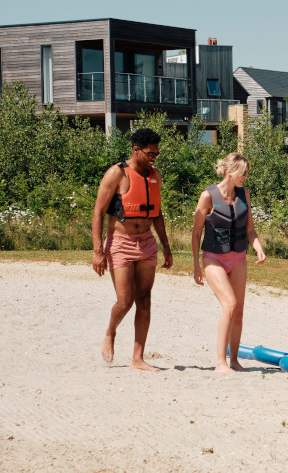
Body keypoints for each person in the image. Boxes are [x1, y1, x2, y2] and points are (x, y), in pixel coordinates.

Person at [91, 128, 173, 371]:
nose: (154, 158)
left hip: (147, 242)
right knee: (125, 301)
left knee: (145, 300)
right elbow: (97, 212)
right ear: (136, 149)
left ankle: (138, 359)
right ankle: (111, 332)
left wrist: (166, 247)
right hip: (120, 243)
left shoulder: (155, 175)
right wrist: (98, 251)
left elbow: (156, 213)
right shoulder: (116, 173)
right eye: (150, 153)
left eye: (157, 154)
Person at [191, 153, 267, 373]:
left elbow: (250, 229)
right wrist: (196, 265)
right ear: (229, 171)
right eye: (242, 173)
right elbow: (196, 233)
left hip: (238, 257)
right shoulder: (208, 196)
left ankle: (234, 360)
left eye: (246, 173)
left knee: (239, 311)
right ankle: (220, 363)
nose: (245, 177)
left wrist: (258, 247)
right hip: (213, 257)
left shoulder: (245, 195)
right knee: (230, 305)